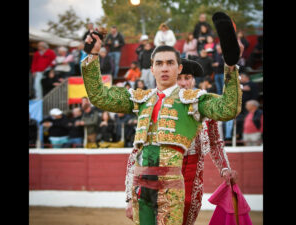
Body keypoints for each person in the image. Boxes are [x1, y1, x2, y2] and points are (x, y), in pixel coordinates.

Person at [81, 31, 242, 224]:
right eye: (159, 63)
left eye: (169, 63)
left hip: (175, 183)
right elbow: (100, 97)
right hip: (143, 186)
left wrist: (230, 66)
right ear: (151, 69)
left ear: (178, 67)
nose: (164, 68)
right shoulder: (141, 99)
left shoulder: (195, 101)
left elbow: (227, 109)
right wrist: (93, 56)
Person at [125, 58, 237, 225]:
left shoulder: (203, 105)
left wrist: (225, 168)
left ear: (193, 80)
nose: (184, 83)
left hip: (193, 175)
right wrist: (130, 197)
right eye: (179, 78)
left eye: (188, 78)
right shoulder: (155, 104)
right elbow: (137, 153)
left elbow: (215, 143)